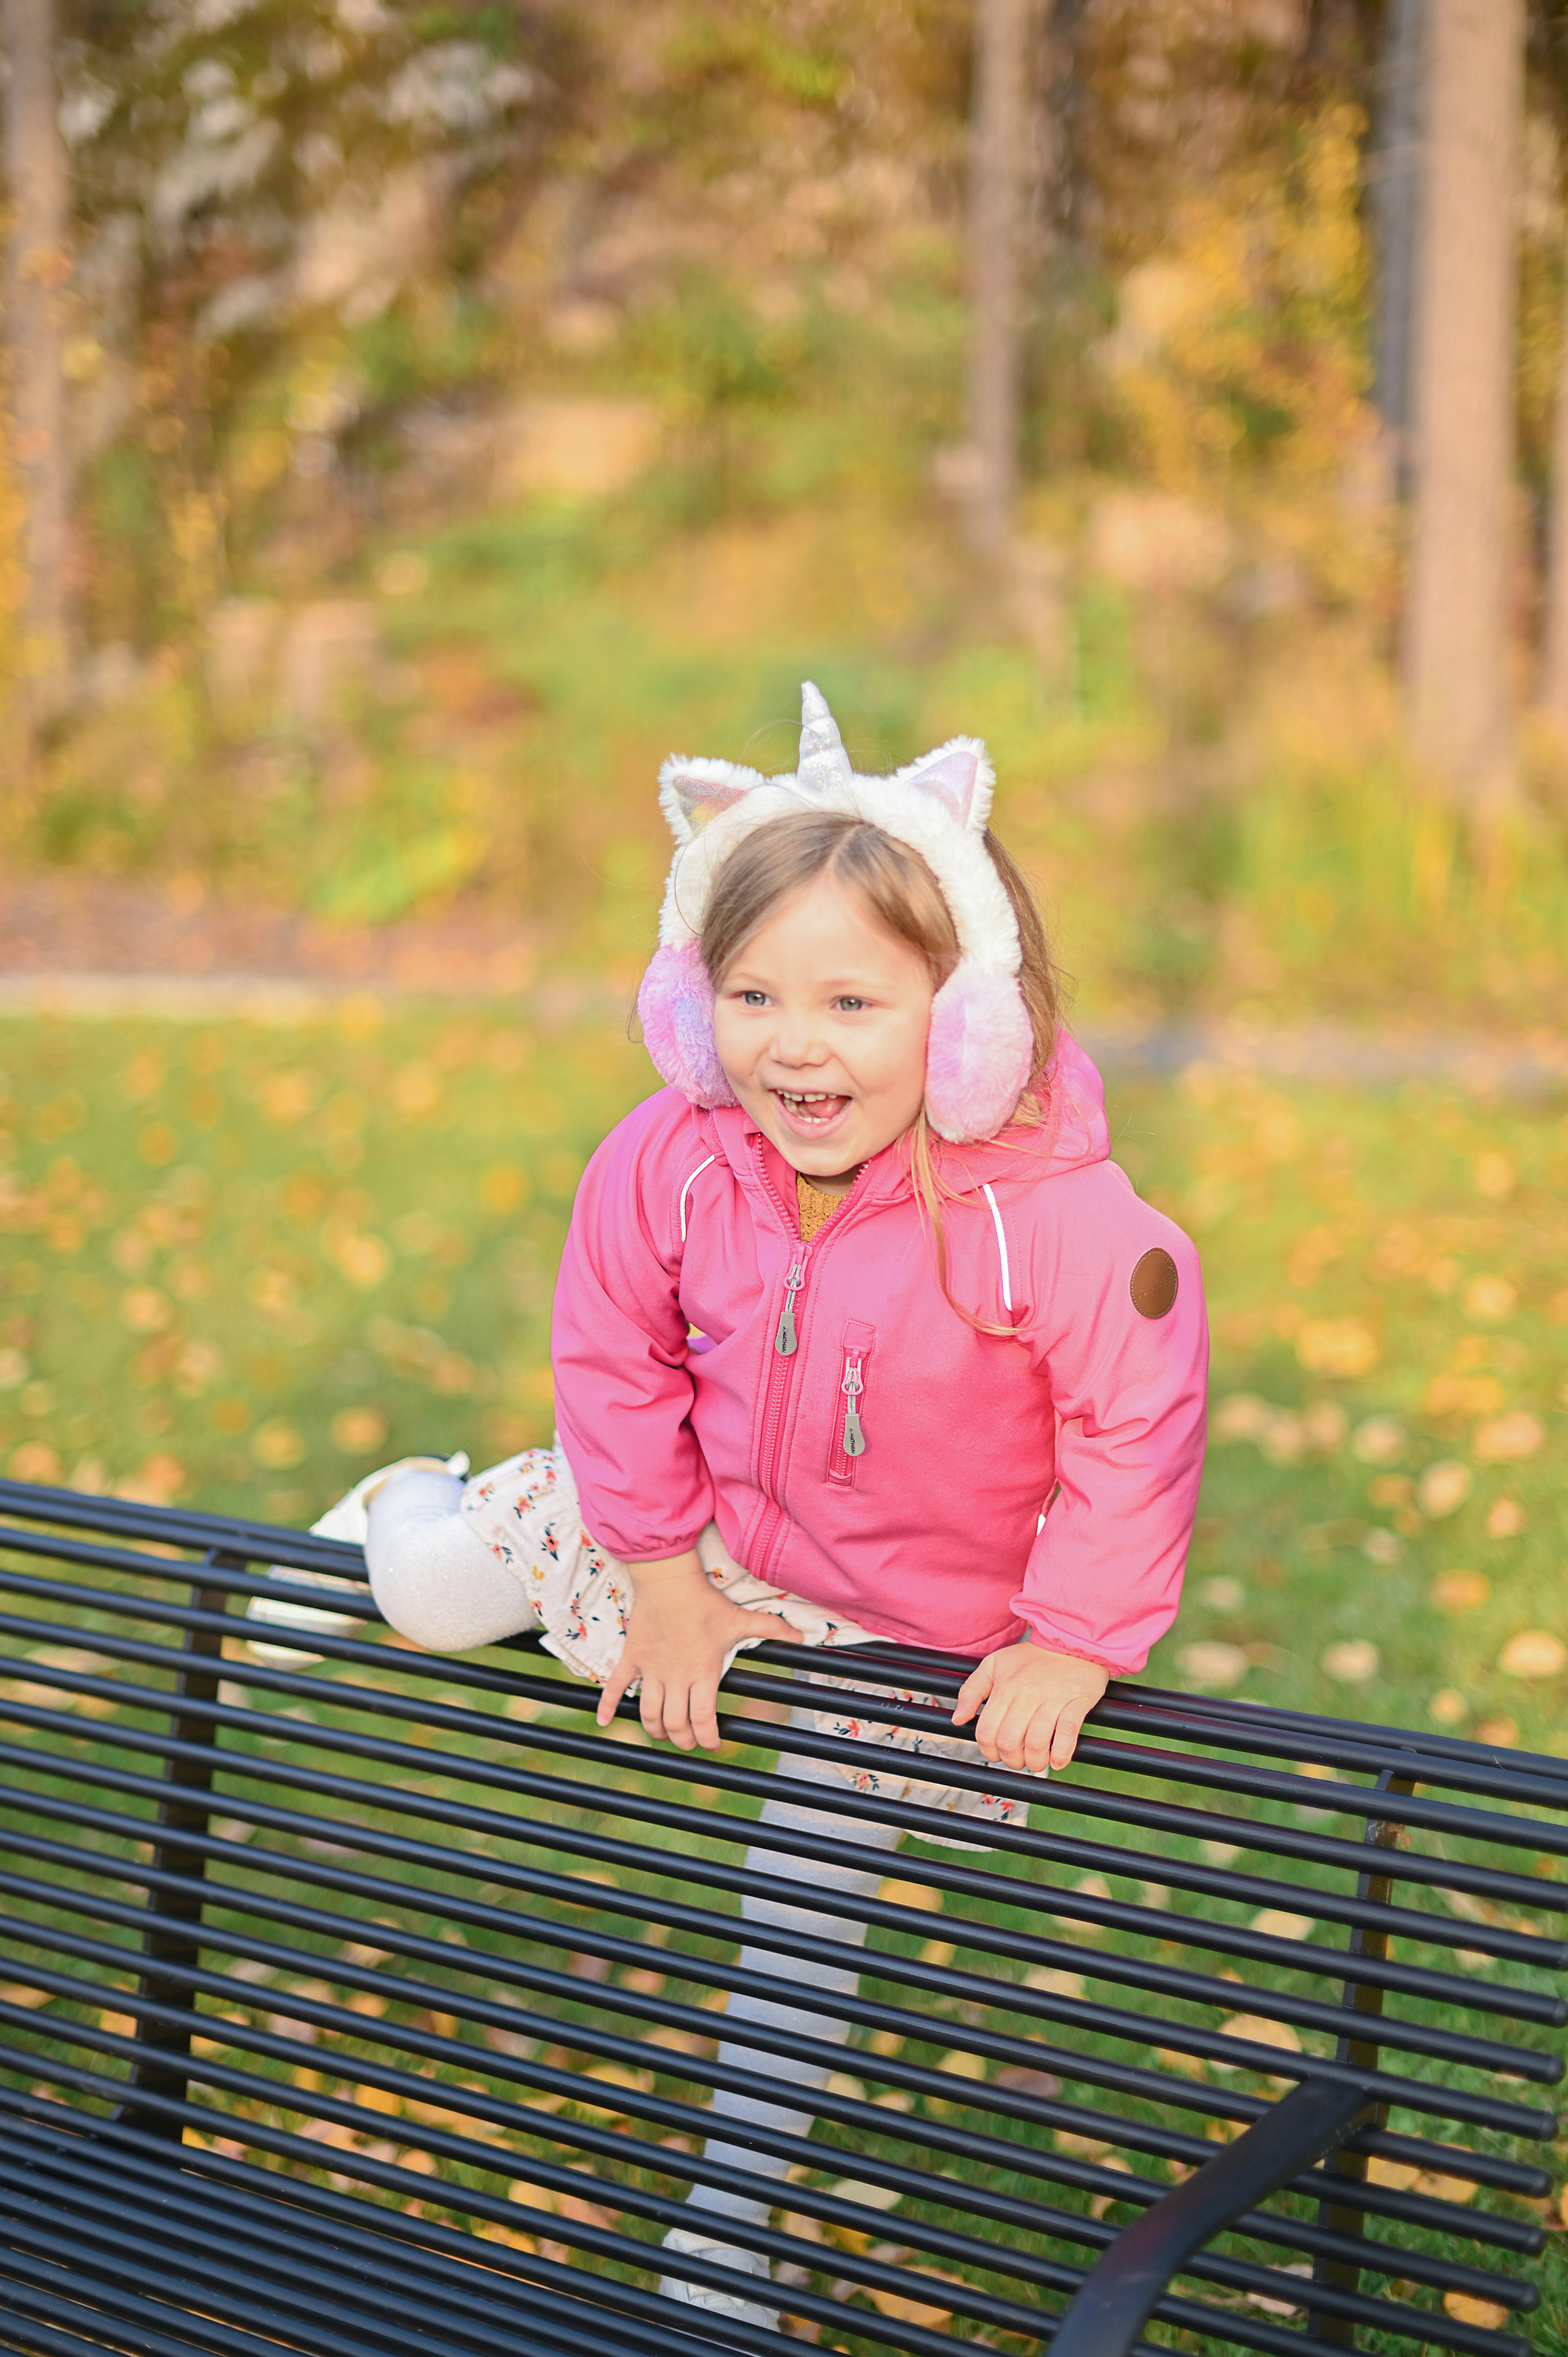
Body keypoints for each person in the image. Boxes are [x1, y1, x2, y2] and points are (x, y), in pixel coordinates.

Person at [288, 683, 1208, 2328]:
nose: (795, 1041)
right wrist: (654, 1574)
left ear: (970, 1012)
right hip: (694, 1526)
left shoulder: (1063, 1229)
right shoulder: (676, 1155)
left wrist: (1077, 1639)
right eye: (753, 993)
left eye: (854, 1000)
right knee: (430, 1597)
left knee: (805, 1909)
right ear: (689, 1000)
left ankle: (729, 2223)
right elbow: (613, 1351)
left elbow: (1136, 1431)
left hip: (899, 1618)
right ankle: (408, 1507)